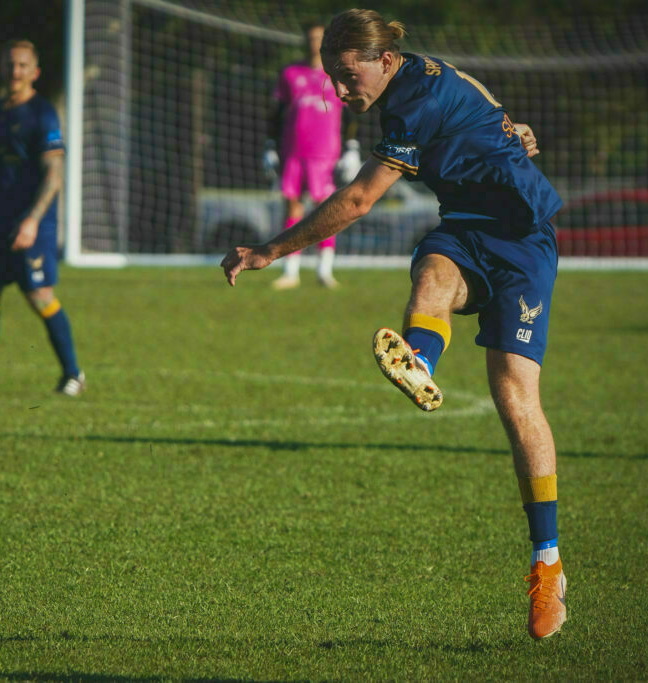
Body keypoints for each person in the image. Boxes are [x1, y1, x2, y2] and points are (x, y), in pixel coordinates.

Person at [221, 9, 566, 640]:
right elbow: (486, 99)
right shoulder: (417, 78)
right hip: (464, 228)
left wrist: (267, 250)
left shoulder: (416, 101)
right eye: (330, 76)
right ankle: (421, 366)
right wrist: (511, 125)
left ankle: (548, 565)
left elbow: (356, 201)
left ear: (382, 60)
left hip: (522, 242)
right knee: (431, 275)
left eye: (347, 75)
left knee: (516, 399)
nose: (338, 90)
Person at [0, 39, 83, 397]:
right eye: (10, 64)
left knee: (40, 296)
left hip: (31, 225)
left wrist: (32, 220)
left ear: (35, 72)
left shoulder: (42, 114)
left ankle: (73, 374)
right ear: (2, 67)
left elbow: (54, 173)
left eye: (23, 65)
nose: (15, 71)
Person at [263, 19, 361, 290]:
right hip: (292, 151)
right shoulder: (290, 73)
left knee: (327, 209)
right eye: (309, 38)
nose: (313, 43)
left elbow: (352, 112)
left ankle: (324, 270)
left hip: (326, 155)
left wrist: (351, 147)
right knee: (293, 207)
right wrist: (270, 145)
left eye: (318, 38)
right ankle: (290, 271)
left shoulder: (337, 74)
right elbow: (276, 113)